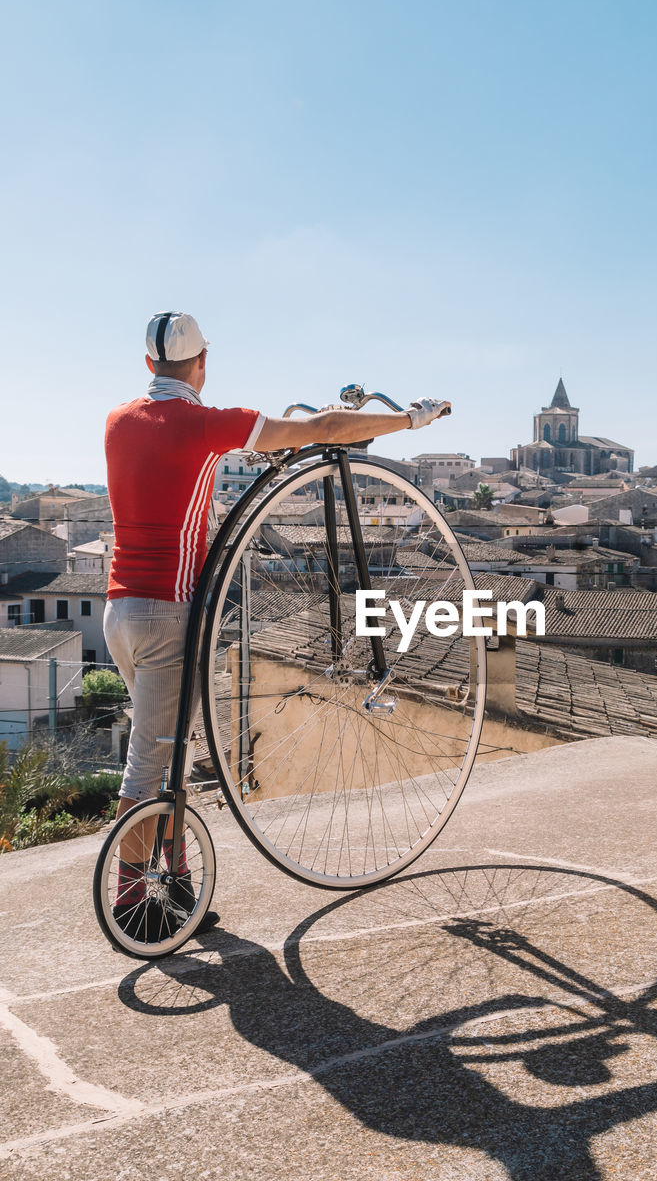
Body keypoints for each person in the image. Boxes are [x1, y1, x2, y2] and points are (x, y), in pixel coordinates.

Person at [104, 310, 450, 938]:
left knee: (168, 751)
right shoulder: (206, 424)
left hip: (119, 612)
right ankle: (135, 904)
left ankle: (175, 883)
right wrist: (408, 418)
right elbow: (323, 428)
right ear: (202, 364)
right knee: (146, 766)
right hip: (167, 614)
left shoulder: (120, 421)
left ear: (149, 365)